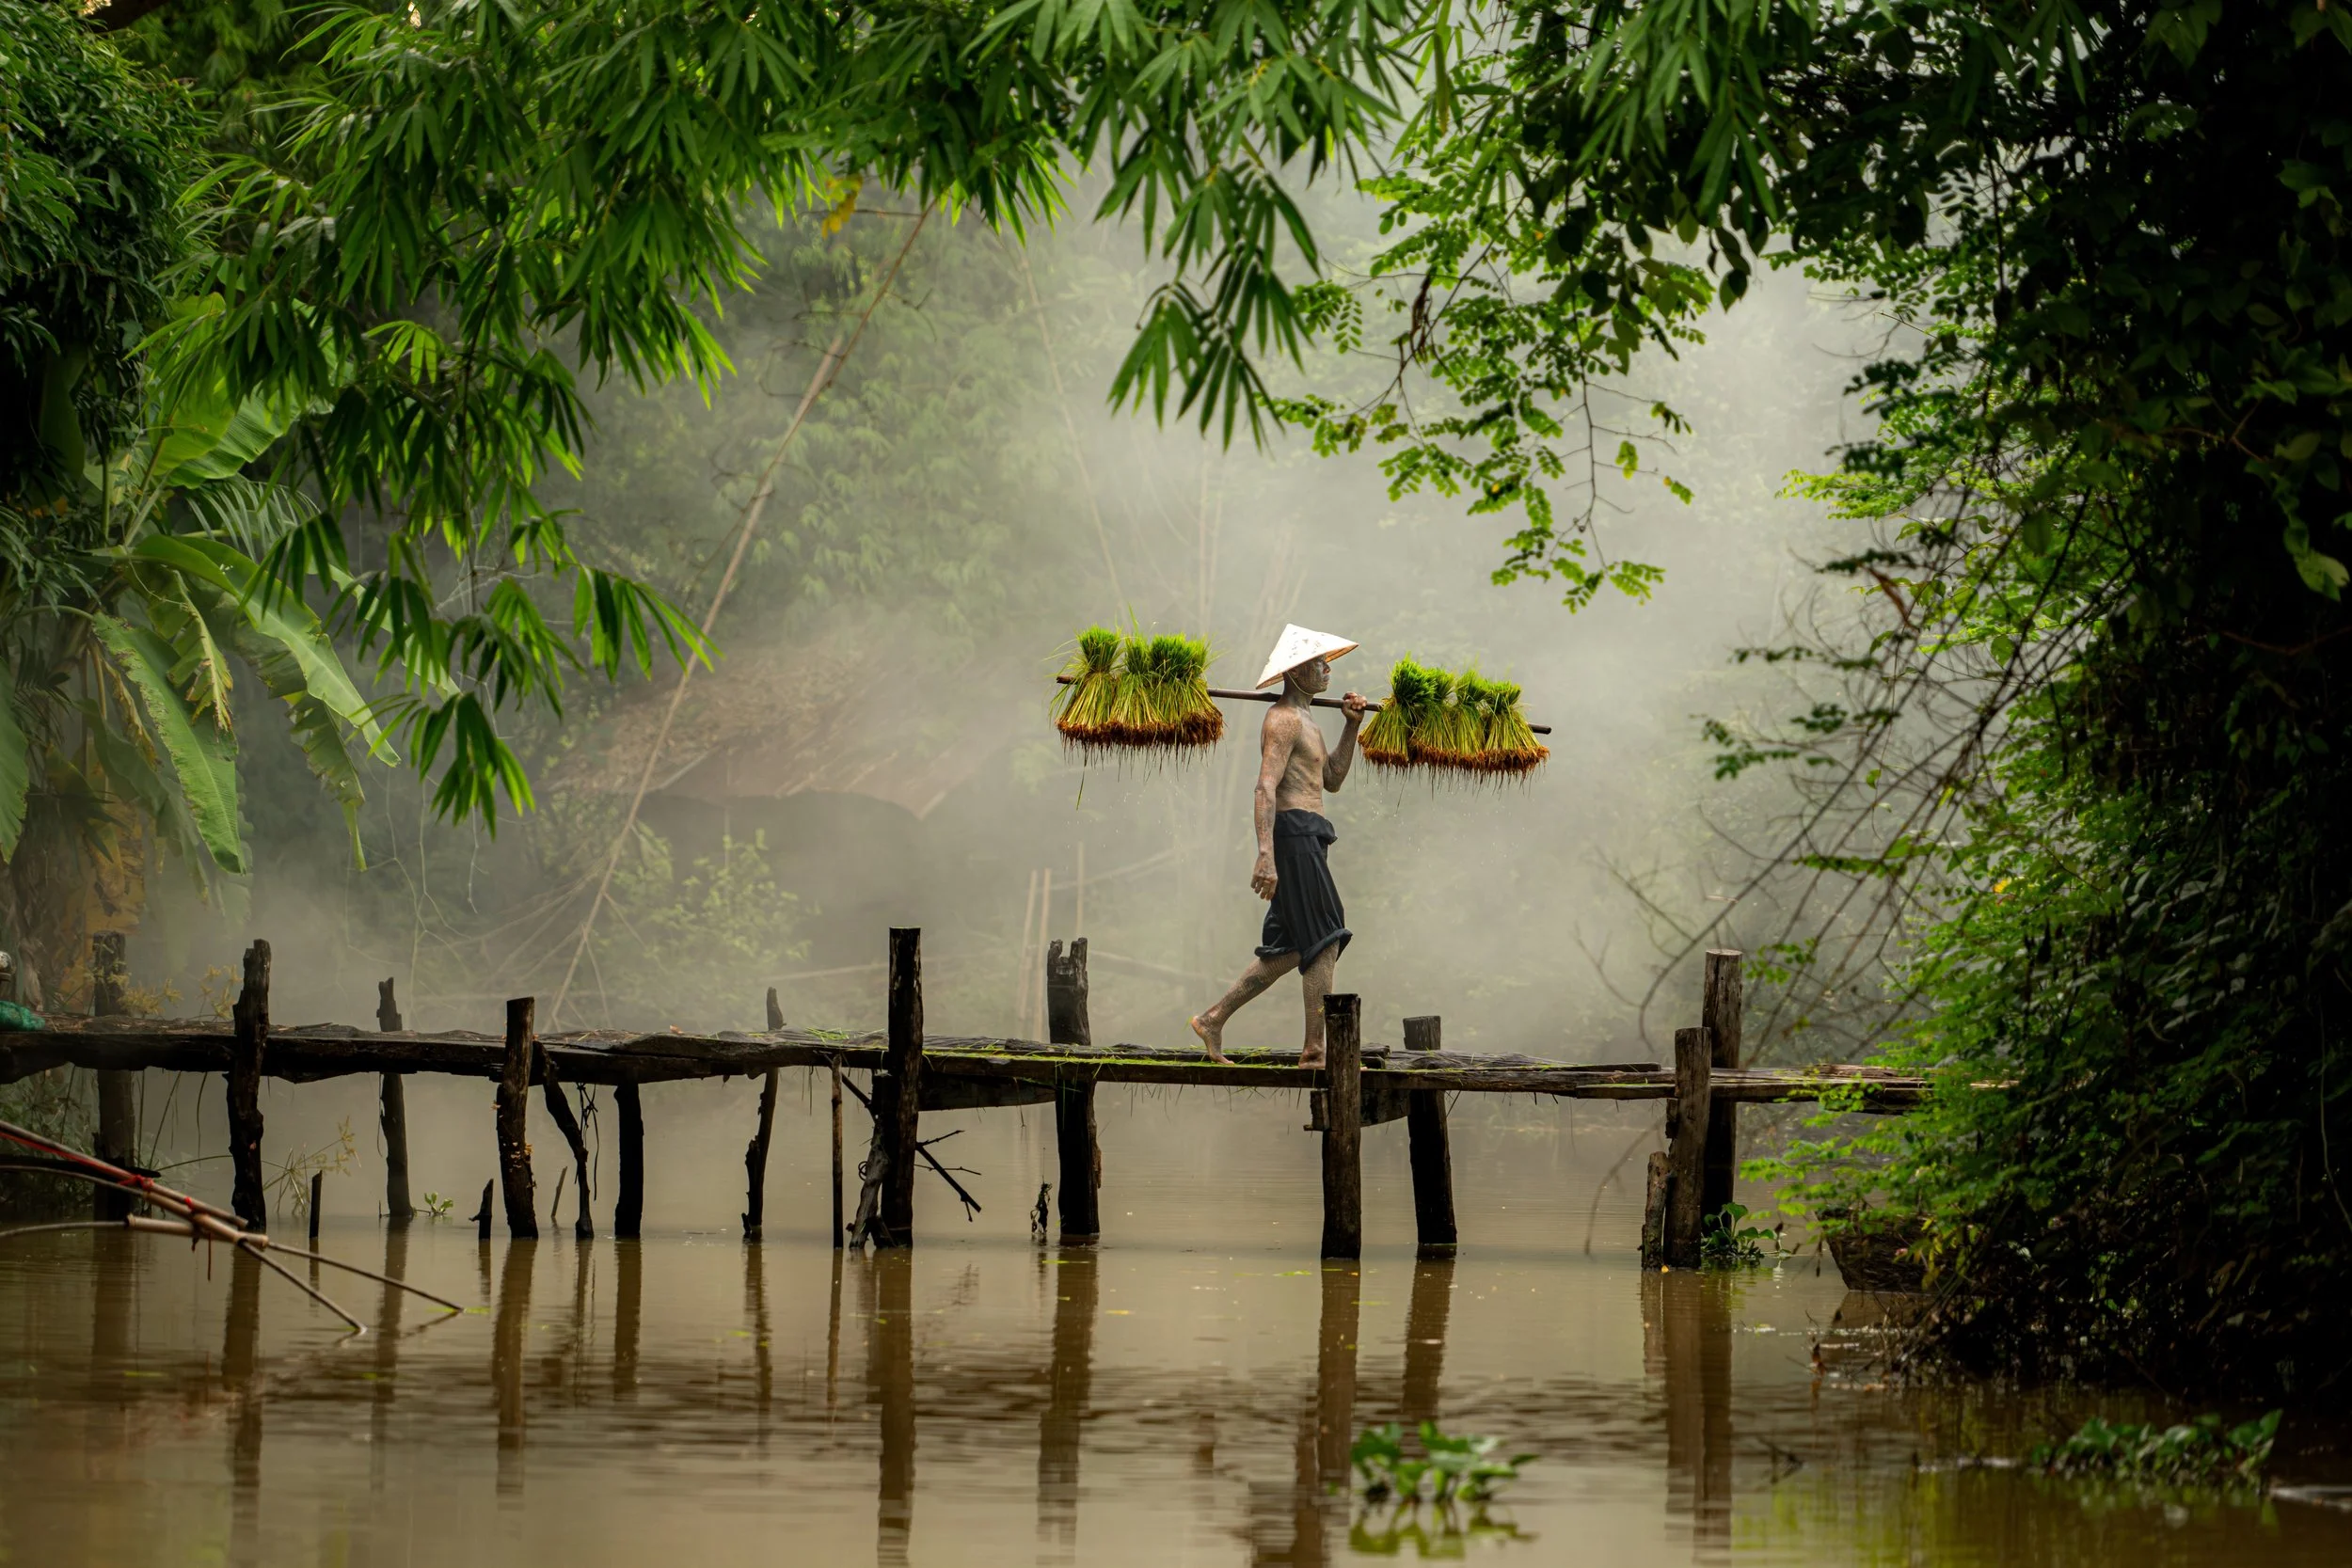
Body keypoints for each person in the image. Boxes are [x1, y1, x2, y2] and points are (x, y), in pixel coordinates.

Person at [1190, 625, 1366, 1067]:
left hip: (1311, 832)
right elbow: (1265, 788)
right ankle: (1315, 1051)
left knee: (1288, 949)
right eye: (1317, 663)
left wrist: (1352, 727)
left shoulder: (1308, 721)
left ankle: (1212, 1019)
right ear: (1295, 671)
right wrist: (1265, 854)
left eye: (1327, 662)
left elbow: (1333, 780)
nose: (1327, 669)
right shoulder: (1284, 720)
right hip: (1293, 837)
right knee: (1326, 937)